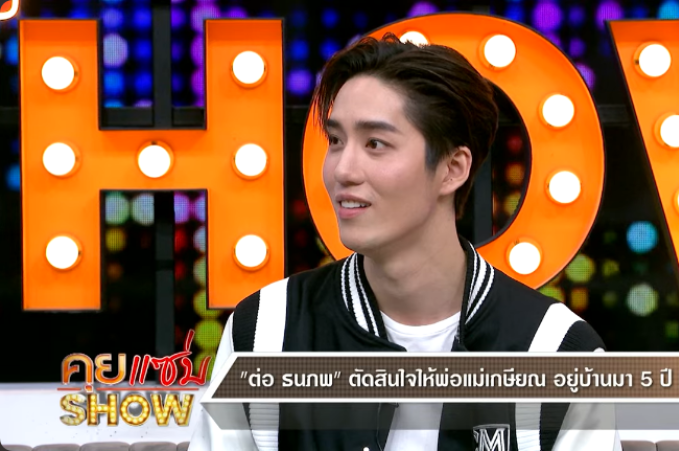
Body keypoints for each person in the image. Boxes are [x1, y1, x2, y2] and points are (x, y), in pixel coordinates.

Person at [189, 33, 621, 451]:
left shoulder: (557, 350)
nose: (343, 170)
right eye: (336, 141)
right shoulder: (266, 332)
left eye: (375, 143)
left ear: (452, 169)